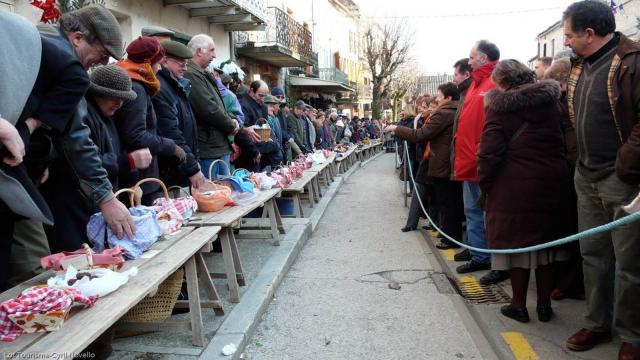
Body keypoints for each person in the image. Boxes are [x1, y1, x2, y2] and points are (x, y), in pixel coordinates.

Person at [561, 2, 640, 356]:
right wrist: (578, 162)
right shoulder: (581, 66)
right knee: (593, 256)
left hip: (621, 180)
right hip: (586, 177)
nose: (565, 43)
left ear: (588, 34)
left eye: (567, 35)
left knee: (631, 263)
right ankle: (596, 324)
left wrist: (624, 166)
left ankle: (631, 334)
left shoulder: (633, 62)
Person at [478, 59, 571, 323]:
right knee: (547, 247)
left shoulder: (499, 108)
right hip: (553, 182)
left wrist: (485, 187)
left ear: (503, 83)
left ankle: (518, 305)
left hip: (514, 186)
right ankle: (544, 306)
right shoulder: (553, 102)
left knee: (517, 246)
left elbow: (489, 154)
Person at [42, 65, 143, 253]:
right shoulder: (84, 115)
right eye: (115, 97)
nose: (119, 104)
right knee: (78, 258)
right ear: (98, 93)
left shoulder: (106, 116)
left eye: (123, 99)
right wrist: (126, 161)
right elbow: (84, 159)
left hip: (93, 202)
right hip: (72, 205)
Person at [452, 40, 509, 286]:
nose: (469, 60)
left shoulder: (495, 82)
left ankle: (495, 262)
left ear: (484, 58)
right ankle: (479, 253)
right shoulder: (476, 83)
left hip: (484, 162)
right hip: (469, 162)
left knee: (490, 216)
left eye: (472, 56)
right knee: (474, 212)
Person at [115, 36, 186, 204]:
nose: (159, 68)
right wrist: (170, 146)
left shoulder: (136, 83)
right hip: (139, 180)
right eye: (158, 63)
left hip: (140, 177)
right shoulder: (137, 88)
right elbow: (136, 135)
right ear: (147, 63)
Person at [542, 57, 585, 302]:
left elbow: (571, 137)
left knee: (574, 233)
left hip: (572, 169)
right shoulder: (560, 102)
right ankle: (564, 281)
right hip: (564, 168)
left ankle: (570, 284)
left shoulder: (570, 103)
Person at [183, 34, 239, 178]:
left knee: (224, 194)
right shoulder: (192, 74)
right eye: (211, 50)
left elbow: (218, 107)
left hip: (217, 146)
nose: (214, 55)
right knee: (213, 195)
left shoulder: (201, 74)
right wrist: (231, 125)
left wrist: (234, 121)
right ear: (198, 51)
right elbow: (209, 109)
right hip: (208, 147)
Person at [153, 40, 206, 190]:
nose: (185, 68)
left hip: (179, 165)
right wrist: (192, 167)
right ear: (164, 60)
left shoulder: (174, 85)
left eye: (186, 64)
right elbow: (171, 132)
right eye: (181, 64)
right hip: (171, 169)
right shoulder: (162, 88)